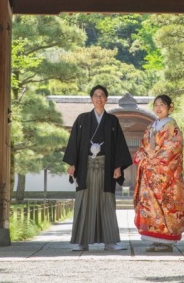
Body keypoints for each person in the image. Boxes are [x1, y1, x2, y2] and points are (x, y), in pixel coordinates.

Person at [63, 85, 133, 251]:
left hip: (105, 167)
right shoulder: (82, 119)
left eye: (102, 95)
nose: (99, 98)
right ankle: (82, 241)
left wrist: (118, 167)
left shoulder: (112, 121)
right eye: (95, 95)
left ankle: (110, 241)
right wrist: (72, 164)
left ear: (106, 99)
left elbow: (118, 146)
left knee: (106, 202)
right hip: (85, 167)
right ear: (91, 99)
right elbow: (74, 143)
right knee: (83, 201)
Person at [133, 94, 184, 252]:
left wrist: (154, 161)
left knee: (166, 204)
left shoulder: (172, 126)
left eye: (162, 105)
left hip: (165, 174)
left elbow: (173, 148)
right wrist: (145, 159)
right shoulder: (151, 127)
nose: (158, 108)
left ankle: (166, 241)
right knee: (150, 206)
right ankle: (155, 238)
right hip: (150, 173)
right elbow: (143, 147)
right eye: (156, 105)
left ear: (169, 108)